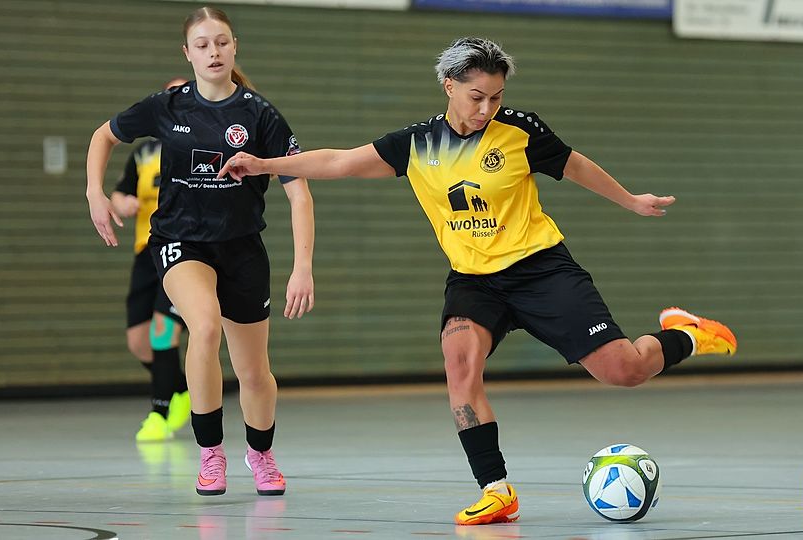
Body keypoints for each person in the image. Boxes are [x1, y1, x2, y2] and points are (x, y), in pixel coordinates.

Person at [219, 37, 737, 524]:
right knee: (459, 365)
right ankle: (497, 491)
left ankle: (686, 332)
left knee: (624, 370)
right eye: (476, 96)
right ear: (449, 86)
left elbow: (575, 166)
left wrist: (631, 200)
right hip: (473, 281)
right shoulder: (417, 144)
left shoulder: (520, 132)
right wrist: (264, 163)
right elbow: (339, 161)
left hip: (540, 269)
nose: (486, 108)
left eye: (496, 96)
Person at [86, 6, 315, 497]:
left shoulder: (260, 114)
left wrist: (303, 268)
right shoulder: (167, 106)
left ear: (234, 48)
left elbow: (299, 193)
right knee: (204, 327)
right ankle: (211, 453)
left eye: (222, 42)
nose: (214, 52)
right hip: (180, 241)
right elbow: (103, 135)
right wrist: (94, 193)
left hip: (242, 248)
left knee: (254, 372)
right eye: (203, 44)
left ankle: (261, 454)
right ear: (187, 53)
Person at [110, 77, 191, 443]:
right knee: (139, 342)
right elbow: (120, 192)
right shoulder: (144, 153)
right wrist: (121, 202)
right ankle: (184, 389)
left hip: (186, 249)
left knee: (163, 331)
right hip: (147, 250)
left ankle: (159, 413)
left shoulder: (205, 143)